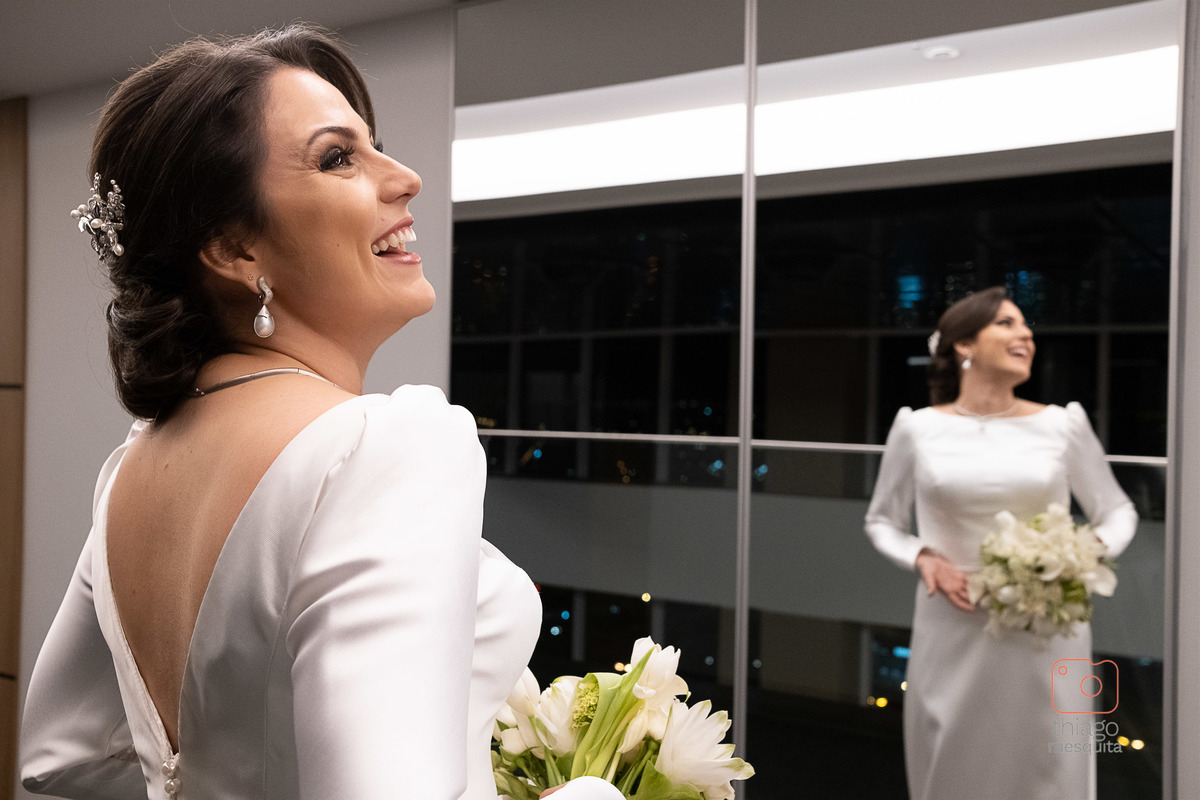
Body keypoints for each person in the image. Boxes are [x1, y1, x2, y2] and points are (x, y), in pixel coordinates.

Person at [19, 25, 619, 800]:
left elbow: (58, 762)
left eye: (377, 147)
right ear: (235, 248)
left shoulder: (131, 472)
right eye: (339, 157)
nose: (406, 178)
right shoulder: (387, 446)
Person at [863, 287, 1137, 800]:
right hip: (953, 621)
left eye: (1026, 325)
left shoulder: (1063, 424)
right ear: (964, 344)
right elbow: (882, 521)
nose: (1025, 334)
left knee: (1050, 763)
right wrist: (922, 556)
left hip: (1046, 628)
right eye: (1007, 323)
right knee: (954, 759)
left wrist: (1084, 554)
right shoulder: (916, 429)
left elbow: (1117, 510)